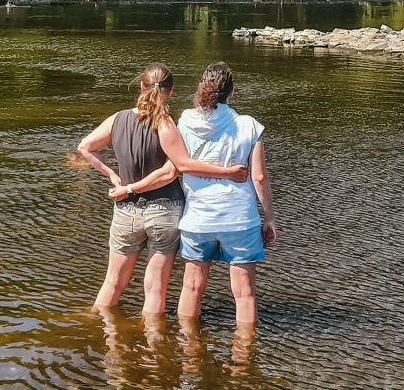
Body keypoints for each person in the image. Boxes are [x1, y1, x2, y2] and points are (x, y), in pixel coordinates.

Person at [76, 63, 249, 316]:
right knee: (155, 288)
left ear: (141, 86)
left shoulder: (117, 119)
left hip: (125, 211)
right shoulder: (166, 124)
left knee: (113, 282)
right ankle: (153, 339)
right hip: (164, 211)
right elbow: (172, 171)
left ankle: (104, 331)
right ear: (171, 92)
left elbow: (85, 147)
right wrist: (229, 173)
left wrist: (112, 175)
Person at [175, 62, 276, 328]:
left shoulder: (185, 122)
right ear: (232, 93)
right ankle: (244, 351)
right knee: (244, 294)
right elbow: (259, 177)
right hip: (239, 220)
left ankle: (188, 346)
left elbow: (178, 164)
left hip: (197, 219)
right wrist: (269, 218)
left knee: (192, 287)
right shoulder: (249, 125)